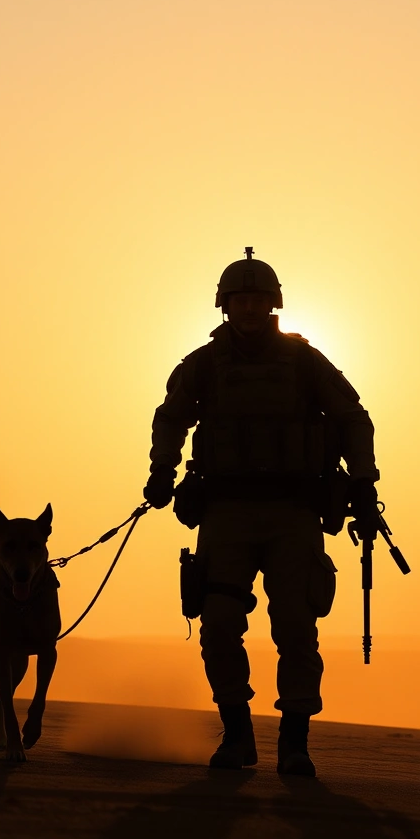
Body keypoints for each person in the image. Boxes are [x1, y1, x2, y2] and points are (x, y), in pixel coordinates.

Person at [143, 248, 379, 776]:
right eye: (240, 300)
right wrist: (161, 471)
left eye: (257, 300)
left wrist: (364, 483)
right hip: (225, 513)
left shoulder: (305, 363)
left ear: (272, 304)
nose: (248, 309)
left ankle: (295, 744)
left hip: (294, 514)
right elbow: (170, 418)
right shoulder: (204, 365)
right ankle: (237, 736)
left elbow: (353, 418)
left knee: (296, 627)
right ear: (225, 305)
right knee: (218, 624)